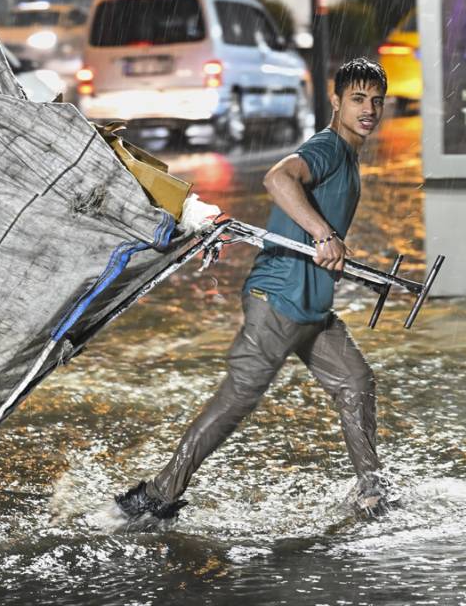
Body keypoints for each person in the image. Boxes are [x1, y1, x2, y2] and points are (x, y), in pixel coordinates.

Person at [115, 58, 392, 527]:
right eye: (358, 99)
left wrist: (329, 252)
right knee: (238, 399)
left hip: (310, 307)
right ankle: (156, 495)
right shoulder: (327, 146)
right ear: (337, 100)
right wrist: (323, 234)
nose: (369, 110)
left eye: (376, 102)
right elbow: (277, 178)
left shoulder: (348, 155)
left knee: (356, 383)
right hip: (277, 300)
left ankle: (370, 493)